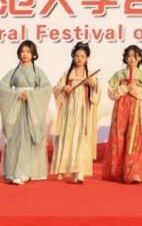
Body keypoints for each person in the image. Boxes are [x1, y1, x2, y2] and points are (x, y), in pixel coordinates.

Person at [0, 40, 51, 185]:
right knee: (15, 139)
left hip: (32, 110)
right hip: (17, 108)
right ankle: (13, 172)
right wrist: (16, 94)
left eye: (28, 52)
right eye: (22, 51)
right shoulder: (15, 71)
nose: (24, 54)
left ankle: (25, 172)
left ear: (33, 54)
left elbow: (46, 89)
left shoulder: (37, 72)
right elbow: (0, 88)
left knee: (29, 139)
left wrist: (31, 95)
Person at [103, 44, 142, 184]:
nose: (131, 59)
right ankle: (118, 172)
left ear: (140, 58)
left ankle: (135, 172)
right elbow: (111, 93)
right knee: (120, 137)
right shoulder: (119, 75)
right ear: (125, 58)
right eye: (129, 56)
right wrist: (124, 88)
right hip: (121, 109)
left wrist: (135, 89)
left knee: (136, 137)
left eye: (134, 56)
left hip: (138, 109)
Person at [51, 42, 100, 183]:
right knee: (69, 138)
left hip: (83, 113)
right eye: (77, 55)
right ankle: (67, 169)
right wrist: (64, 89)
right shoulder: (67, 75)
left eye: (82, 56)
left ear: (87, 58)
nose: (79, 58)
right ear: (73, 57)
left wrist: (93, 86)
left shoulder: (90, 75)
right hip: (69, 113)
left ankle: (79, 172)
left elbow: (96, 95)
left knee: (81, 140)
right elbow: (57, 89)